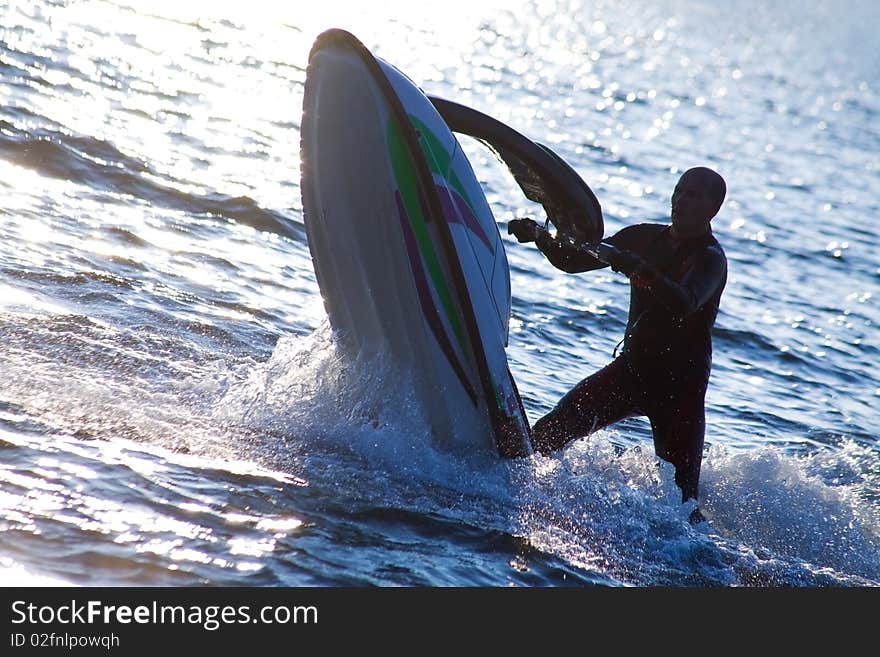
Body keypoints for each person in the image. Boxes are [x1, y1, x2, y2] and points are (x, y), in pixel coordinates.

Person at [508, 167, 727, 523]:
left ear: (713, 208)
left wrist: (642, 270)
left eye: (695, 196)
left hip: (680, 390)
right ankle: (513, 491)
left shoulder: (711, 259)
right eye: (680, 191)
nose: (682, 201)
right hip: (632, 372)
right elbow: (576, 259)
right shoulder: (642, 237)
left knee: (683, 504)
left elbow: (685, 301)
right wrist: (540, 237)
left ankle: (704, 562)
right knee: (549, 433)